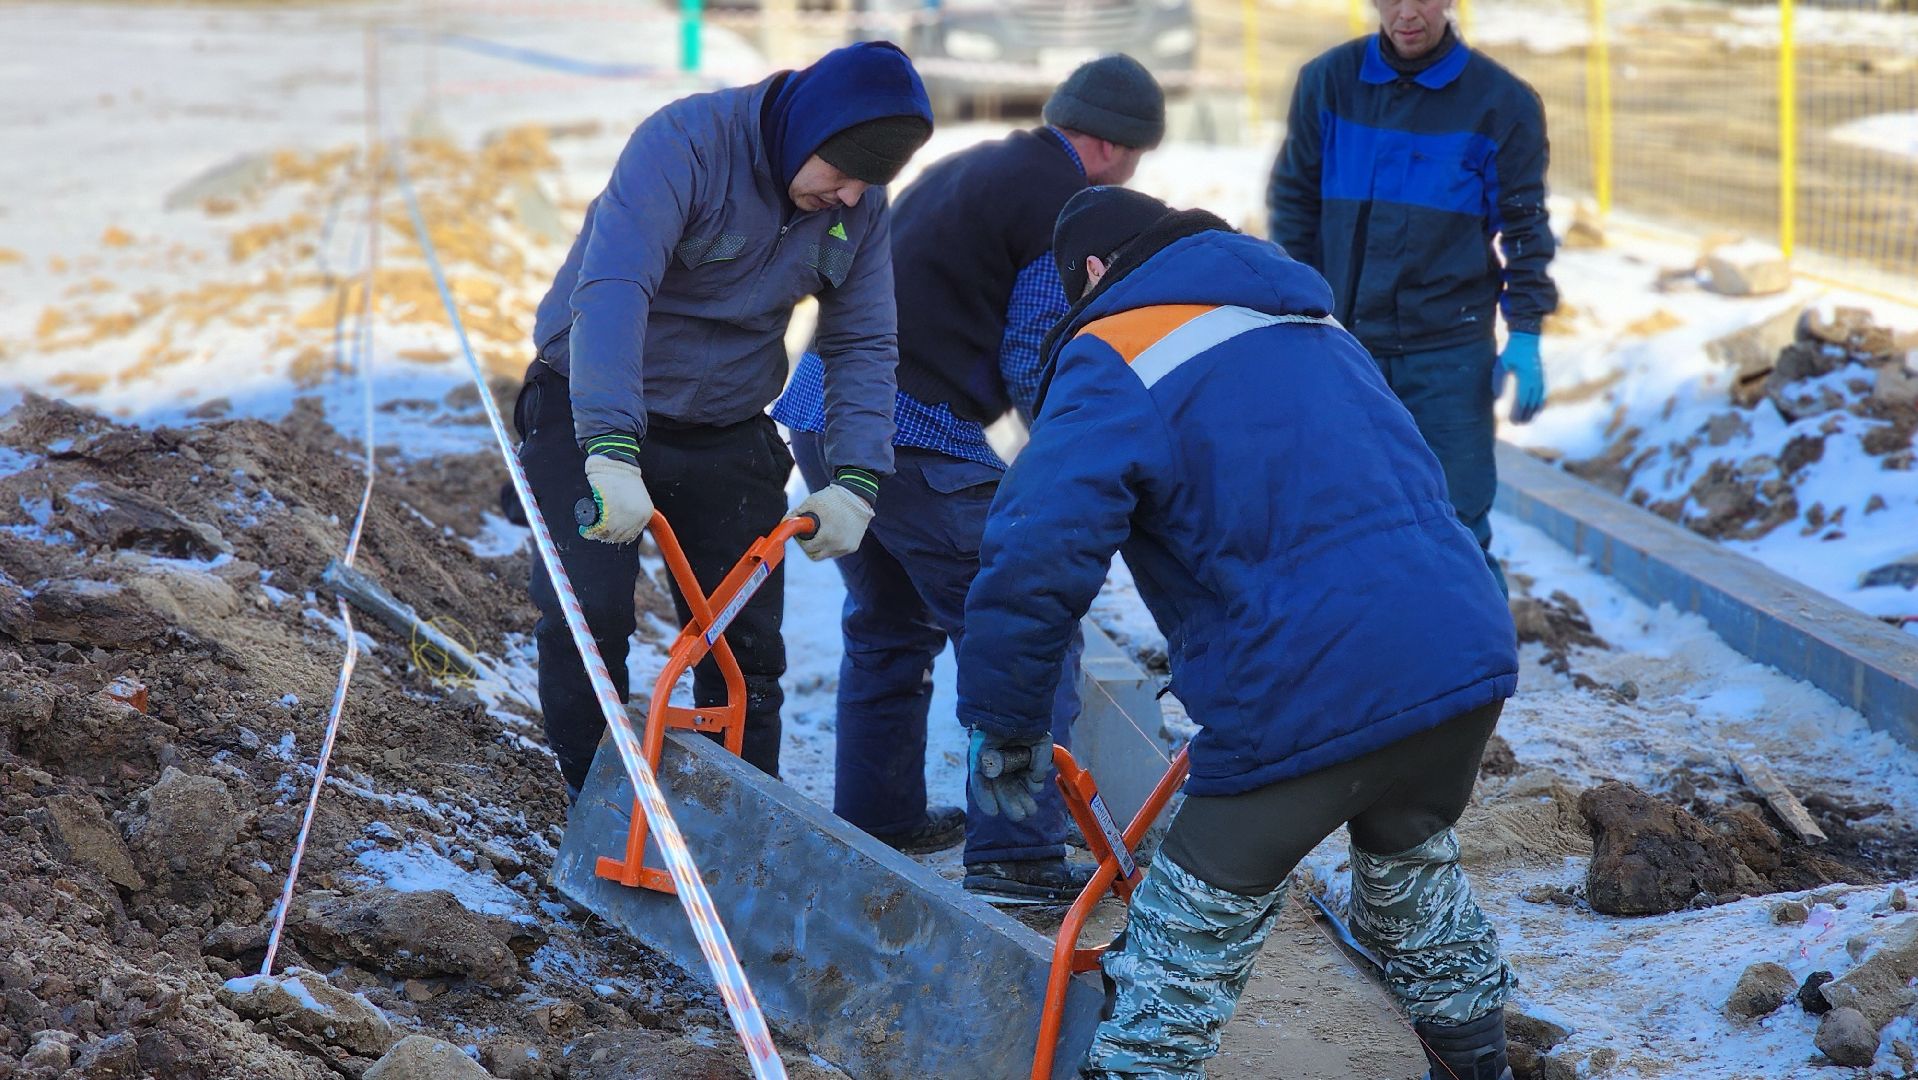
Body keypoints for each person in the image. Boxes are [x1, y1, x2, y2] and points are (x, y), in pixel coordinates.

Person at [958, 187, 1522, 1080]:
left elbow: (1035, 552)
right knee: (1410, 878)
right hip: (1460, 655)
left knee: (1183, 945)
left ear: (1097, 273)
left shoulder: (1117, 349)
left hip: (1310, 681)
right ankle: (1479, 1063)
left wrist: (1010, 719)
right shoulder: (1313, 325)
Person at [772, 56, 1165, 900]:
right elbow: (1032, 351)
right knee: (1024, 629)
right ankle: (1017, 853)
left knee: (888, 620)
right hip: (912, 431)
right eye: (1137, 156)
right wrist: (1071, 456)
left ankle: (878, 814)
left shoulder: (977, 166)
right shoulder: (1057, 203)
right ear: (1110, 146)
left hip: (822, 408)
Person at [515, 43, 933, 799]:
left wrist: (859, 478)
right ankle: (599, 809)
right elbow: (613, 292)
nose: (850, 196)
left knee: (743, 648)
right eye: (840, 172)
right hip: (595, 401)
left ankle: (742, 824)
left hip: (728, 422)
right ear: (807, 131)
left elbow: (863, 341)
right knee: (589, 623)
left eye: (869, 182)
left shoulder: (856, 208)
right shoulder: (685, 147)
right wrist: (610, 449)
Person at [1268, 0, 1559, 596]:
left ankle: (1477, 680)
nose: (1406, 13)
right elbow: (1294, 204)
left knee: (1454, 523)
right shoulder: (1329, 83)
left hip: (1448, 355)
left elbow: (1525, 227)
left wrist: (1525, 329)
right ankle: (1361, 667)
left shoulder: (1500, 102)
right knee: (1336, 519)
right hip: (1343, 347)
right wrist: (1298, 307)